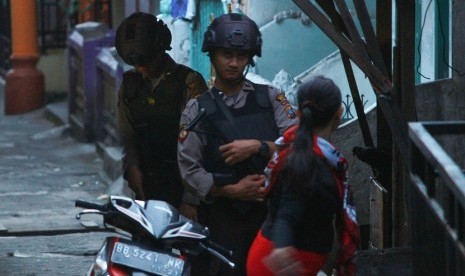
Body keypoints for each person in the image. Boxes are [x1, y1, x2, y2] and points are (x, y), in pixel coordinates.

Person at [177, 13, 298, 276]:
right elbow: (189, 170)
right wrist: (231, 190)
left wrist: (259, 147)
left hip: (270, 219)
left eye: (241, 56)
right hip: (221, 222)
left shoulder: (272, 98)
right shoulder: (196, 109)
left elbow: (299, 148)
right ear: (212, 55)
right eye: (226, 55)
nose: (234, 63)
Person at [246, 76, 360, 276]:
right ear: (339, 114)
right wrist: (282, 248)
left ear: (298, 113)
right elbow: (287, 213)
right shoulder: (306, 163)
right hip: (279, 267)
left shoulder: (314, 156)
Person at [115, 12, 208, 211]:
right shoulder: (130, 85)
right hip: (145, 191)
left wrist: (191, 199)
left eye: (146, 62)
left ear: (160, 49)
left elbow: (199, 145)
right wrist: (133, 175)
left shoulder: (188, 82)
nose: (141, 69)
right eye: (136, 64)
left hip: (183, 188)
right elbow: (128, 138)